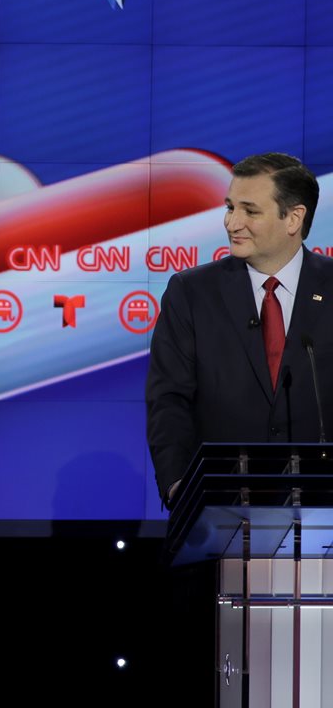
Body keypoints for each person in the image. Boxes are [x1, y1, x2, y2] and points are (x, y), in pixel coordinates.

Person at [147, 153, 332, 507]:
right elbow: (169, 400)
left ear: (293, 218)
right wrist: (177, 485)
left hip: (322, 509)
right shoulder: (192, 292)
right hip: (220, 506)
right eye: (230, 207)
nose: (233, 223)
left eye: (250, 211)